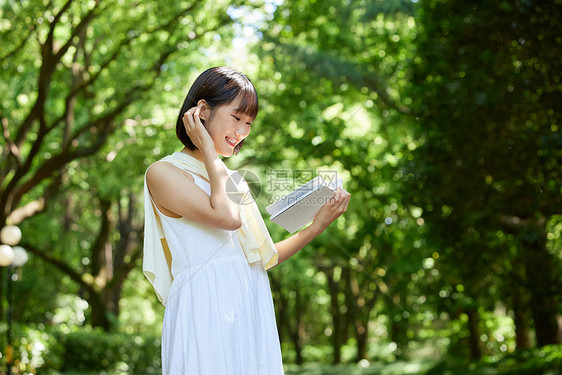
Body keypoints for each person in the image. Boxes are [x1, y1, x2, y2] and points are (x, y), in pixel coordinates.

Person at [143, 66, 351, 374]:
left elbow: (261, 257)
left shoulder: (231, 182)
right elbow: (226, 218)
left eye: (249, 122)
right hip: (205, 309)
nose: (242, 131)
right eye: (236, 117)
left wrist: (317, 225)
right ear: (202, 110)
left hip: (249, 305)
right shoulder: (163, 173)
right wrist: (208, 150)